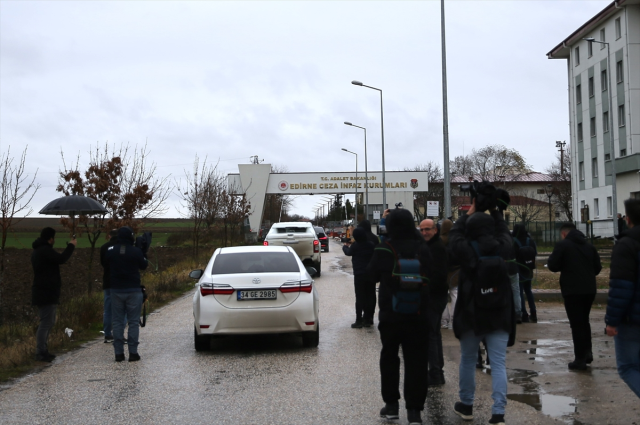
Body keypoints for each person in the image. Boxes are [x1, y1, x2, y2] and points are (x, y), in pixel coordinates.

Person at [449, 197, 515, 425]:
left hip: (471, 312)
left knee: (467, 360)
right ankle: (498, 413)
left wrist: (470, 211)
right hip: (499, 311)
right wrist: (495, 211)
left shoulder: (467, 249)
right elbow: (505, 231)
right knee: (498, 363)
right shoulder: (502, 247)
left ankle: (466, 405)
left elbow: (454, 234)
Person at [368, 208, 432, 425]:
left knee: (389, 358)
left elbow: (371, 276)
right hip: (419, 313)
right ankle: (414, 411)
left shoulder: (385, 248)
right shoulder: (423, 249)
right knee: (416, 361)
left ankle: (392, 405)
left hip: (391, 314)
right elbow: (437, 277)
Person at [548, 222, 602, 370]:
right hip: (589, 290)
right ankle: (587, 352)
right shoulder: (589, 246)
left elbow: (552, 265)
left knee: (576, 324)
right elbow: (597, 268)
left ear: (564, 234)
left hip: (572, 290)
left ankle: (580, 359)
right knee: (585, 321)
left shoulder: (563, 246)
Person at [605, 199, 640, 398]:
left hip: (632, 320)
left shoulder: (626, 245)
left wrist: (612, 320)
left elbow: (621, 287)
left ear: (627, 219)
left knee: (627, 367)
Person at [31, 227, 77, 362]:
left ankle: (43, 350)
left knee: (48, 321)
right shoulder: (44, 251)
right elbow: (61, 258)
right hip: (46, 292)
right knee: (46, 322)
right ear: (50, 238)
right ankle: (40, 352)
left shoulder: (38, 250)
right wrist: (71, 246)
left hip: (43, 291)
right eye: (53, 238)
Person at [105, 226, 148, 362]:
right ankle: (133, 353)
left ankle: (118, 353)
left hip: (116, 290)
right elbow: (143, 265)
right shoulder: (136, 251)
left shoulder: (110, 251)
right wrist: (143, 252)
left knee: (117, 322)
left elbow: (106, 264)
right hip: (133, 290)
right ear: (131, 237)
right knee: (134, 322)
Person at [419, 218, 448, 386]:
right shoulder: (431, 246)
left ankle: (435, 373)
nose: (424, 233)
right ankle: (438, 371)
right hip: (436, 296)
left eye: (427, 229)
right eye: (422, 230)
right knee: (435, 334)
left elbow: (437, 276)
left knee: (430, 335)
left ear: (435, 230)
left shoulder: (437, 248)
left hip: (434, 297)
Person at [342, 227, 376, 328]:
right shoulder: (371, 245)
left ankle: (358, 320)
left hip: (359, 274)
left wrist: (345, 246)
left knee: (360, 297)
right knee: (370, 296)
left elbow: (348, 252)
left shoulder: (355, 246)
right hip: (370, 274)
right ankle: (368, 319)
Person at [512, 224, 537, 323]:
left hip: (519, 269)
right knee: (529, 291)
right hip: (529, 269)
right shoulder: (530, 240)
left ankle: (524, 314)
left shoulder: (514, 241)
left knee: (519, 292)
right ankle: (534, 313)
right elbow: (534, 253)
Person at [440, 219, 459, 329]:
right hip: (456, 271)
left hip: (442, 272)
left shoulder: (439, 241)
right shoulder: (456, 240)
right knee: (455, 295)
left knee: (442, 296)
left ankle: (444, 321)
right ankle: (454, 320)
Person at [100, 229, 118, 343]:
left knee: (107, 310)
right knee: (121, 309)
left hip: (107, 281)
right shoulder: (123, 246)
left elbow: (103, 263)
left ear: (109, 235)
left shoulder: (104, 247)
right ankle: (118, 333)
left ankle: (107, 333)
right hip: (120, 282)